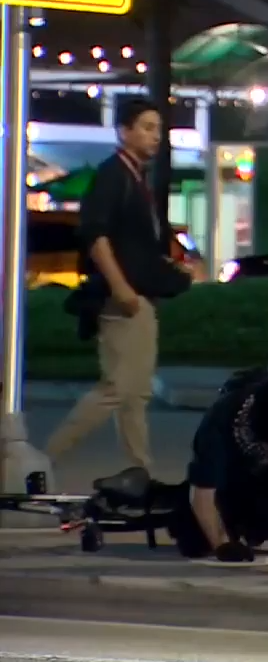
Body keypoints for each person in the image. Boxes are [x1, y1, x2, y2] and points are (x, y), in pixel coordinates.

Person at [45, 98, 191, 472]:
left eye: (158, 128)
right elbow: (95, 234)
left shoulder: (134, 176)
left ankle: (140, 470)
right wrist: (121, 287)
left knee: (134, 395)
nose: (155, 136)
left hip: (139, 296)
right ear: (124, 131)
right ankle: (41, 460)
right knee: (117, 389)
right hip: (123, 299)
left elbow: (131, 241)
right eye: (146, 127)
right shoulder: (114, 175)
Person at [179, 370, 268, 561]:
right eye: (264, 448)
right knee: (196, 541)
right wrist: (222, 544)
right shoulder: (220, 419)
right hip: (229, 480)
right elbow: (203, 490)